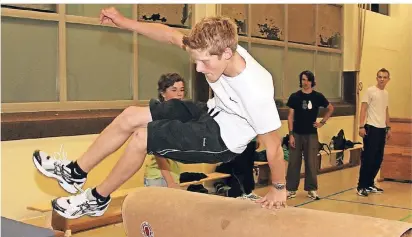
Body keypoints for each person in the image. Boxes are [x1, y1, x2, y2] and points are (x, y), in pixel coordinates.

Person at [32, 6, 286, 219]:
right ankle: (75, 172)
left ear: (227, 54)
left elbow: (273, 147)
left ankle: (97, 199)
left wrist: (278, 188)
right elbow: (169, 36)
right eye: (196, 61)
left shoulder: (256, 90)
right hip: (210, 112)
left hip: (222, 139)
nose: (198, 69)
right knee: (132, 115)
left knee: (142, 137)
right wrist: (124, 22)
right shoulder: (213, 46)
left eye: (205, 62)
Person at [285, 70, 334, 200]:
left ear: (312, 81)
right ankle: (291, 189)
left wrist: (322, 122)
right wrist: (291, 134)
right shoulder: (295, 97)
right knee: (294, 162)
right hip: (296, 133)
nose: (304, 82)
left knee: (311, 162)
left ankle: (311, 189)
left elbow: (330, 108)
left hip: (311, 135)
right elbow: (290, 117)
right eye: (302, 80)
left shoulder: (318, 97)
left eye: (307, 80)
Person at [143, 73, 185, 189]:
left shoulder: (179, 116)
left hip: (174, 175)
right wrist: (170, 181)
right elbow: (159, 154)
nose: (179, 94)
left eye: (181, 90)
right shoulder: (159, 116)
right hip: (158, 177)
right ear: (163, 93)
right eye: (174, 90)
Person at [357, 68, 391, 197]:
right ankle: (361, 186)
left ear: (388, 79)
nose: (382, 79)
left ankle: (370, 184)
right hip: (371, 128)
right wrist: (361, 126)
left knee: (378, 158)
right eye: (380, 77)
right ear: (377, 78)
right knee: (368, 159)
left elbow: (386, 111)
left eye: (384, 77)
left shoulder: (386, 93)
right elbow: (363, 108)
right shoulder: (370, 91)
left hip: (381, 129)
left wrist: (388, 128)